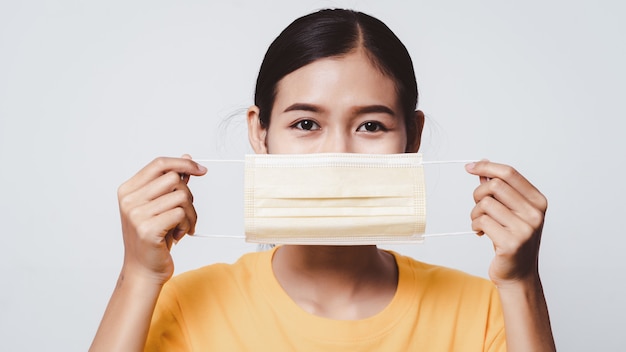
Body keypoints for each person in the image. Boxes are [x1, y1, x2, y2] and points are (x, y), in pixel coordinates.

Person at [90, 8, 555, 351]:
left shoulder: (485, 310)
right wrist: (138, 275)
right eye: (306, 124)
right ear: (261, 132)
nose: (337, 155)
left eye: (371, 125)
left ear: (412, 136)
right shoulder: (182, 304)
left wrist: (522, 285)